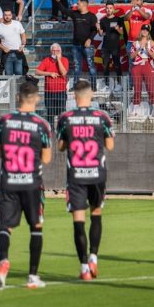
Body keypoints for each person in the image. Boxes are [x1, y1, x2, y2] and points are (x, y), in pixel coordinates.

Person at [0, 81, 53, 291]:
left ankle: (3, 262)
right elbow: (46, 159)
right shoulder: (41, 124)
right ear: (36, 98)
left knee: (5, 227)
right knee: (36, 227)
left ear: (18, 98)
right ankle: (32, 276)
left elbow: (0, 151)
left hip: (9, 180)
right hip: (31, 183)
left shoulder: (5, 121)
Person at [56, 79, 114, 281]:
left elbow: (61, 147)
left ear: (74, 96)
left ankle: (83, 268)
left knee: (78, 220)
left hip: (76, 175)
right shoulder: (101, 117)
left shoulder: (66, 118)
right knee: (96, 213)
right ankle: (94, 257)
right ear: (90, 96)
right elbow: (110, 145)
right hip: (97, 173)